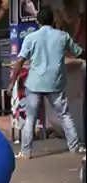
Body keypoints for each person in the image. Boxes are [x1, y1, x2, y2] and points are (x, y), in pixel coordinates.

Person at [7, 6, 86, 159]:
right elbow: (79, 52)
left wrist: (11, 82)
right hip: (55, 83)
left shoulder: (31, 38)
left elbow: (20, 61)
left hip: (35, 83)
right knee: (64, 115)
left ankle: (26, 152)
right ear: (53, 20)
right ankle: (74, 147)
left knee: (31, 118)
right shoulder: (63, 36)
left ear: (38, 21)